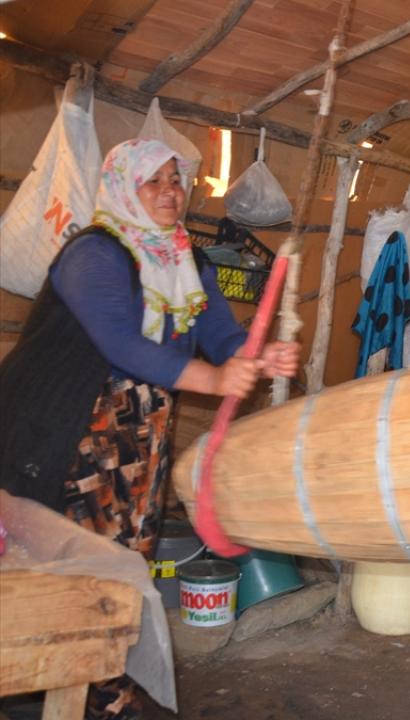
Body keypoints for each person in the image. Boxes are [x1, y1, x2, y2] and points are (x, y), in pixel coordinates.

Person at [0, 138, 300, 720]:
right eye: (153, 181)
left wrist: (255, 357)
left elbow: (221, 334)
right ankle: (62, 681)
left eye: (177, 180)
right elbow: (119, 340)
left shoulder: (185, 258)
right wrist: (214, 381)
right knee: (69, 560)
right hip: (66, 428)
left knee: (127, 552)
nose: (170, 192)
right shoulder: (96, 253)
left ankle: (101, 681)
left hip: (137, 431)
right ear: (123, 187)